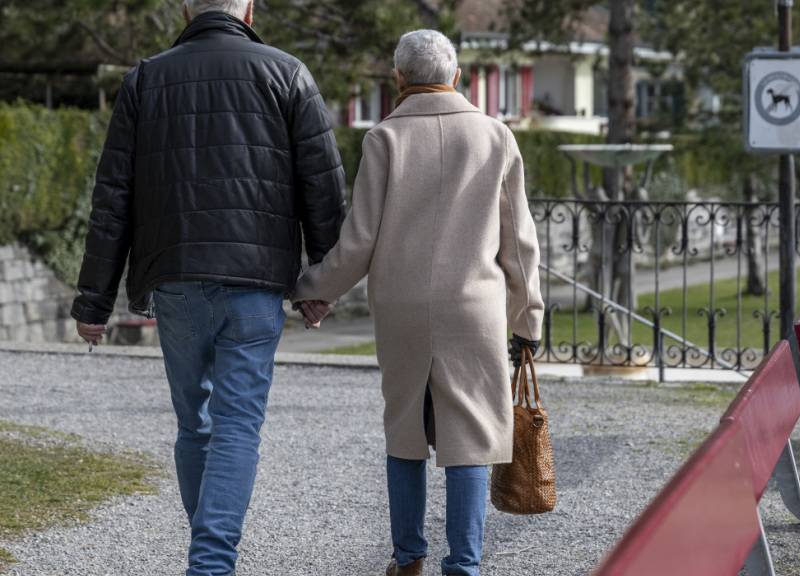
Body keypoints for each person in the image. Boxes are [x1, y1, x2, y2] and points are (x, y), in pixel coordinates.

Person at [70, 1, 346, 574]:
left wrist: (94, 300)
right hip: (255, 281)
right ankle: (211, 561)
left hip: (175, 278)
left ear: (187, 9)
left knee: (194, 421)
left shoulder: (145, 78)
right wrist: (321, 282)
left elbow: (112, 199)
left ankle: (209, 556)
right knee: (238, 425)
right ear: (247, 8)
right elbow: (322, 187)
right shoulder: (287, 72)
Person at [293, 29, 544, 576]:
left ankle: (408, 558)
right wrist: (529, 318)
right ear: (456, 76)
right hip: (473, 307)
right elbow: (520, 244)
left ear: (399, 79)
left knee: (405, 430)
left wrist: (314, 290)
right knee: (472, 434)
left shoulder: (383, 139)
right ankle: (465, 565)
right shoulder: (495, 136)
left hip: (402, 307)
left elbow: (358, 240)